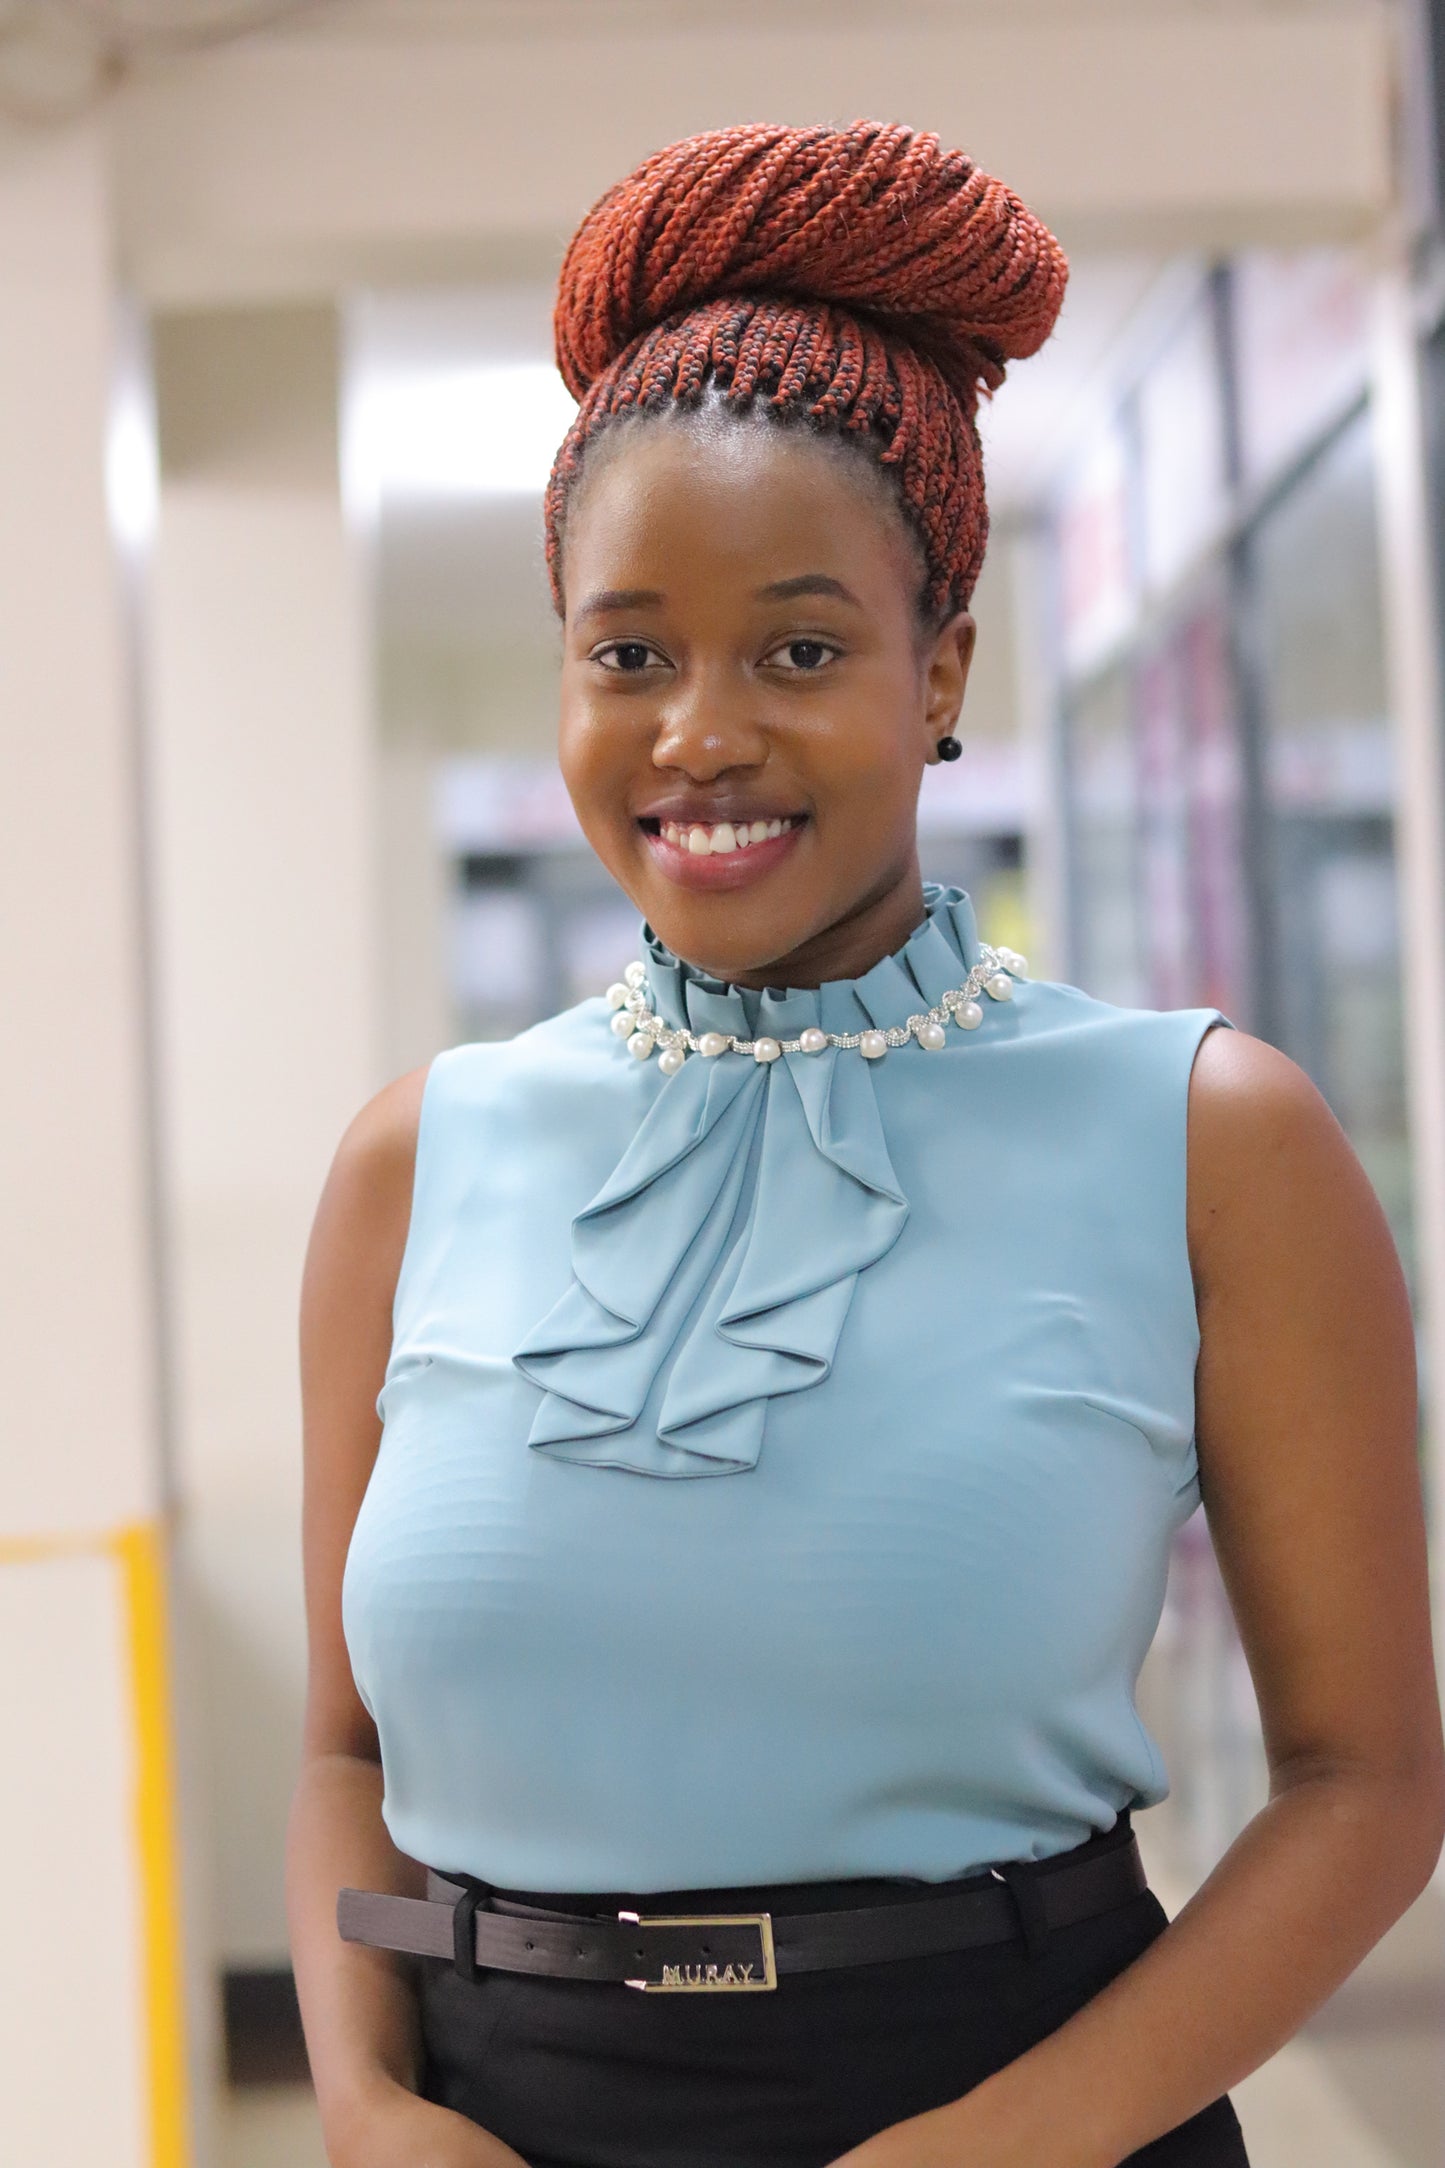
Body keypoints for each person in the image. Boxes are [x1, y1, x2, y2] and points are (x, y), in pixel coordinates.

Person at [286, 122, 1445, 2168]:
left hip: (1026, 2115)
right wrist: (370, 2105)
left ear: (945, 675)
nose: (698, 730)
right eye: (626, 650)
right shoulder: (414, 1159)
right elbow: (342, 1753)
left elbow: (1364, 1782)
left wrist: (1002, 2148)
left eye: (801, 649)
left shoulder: (1207, 1135)